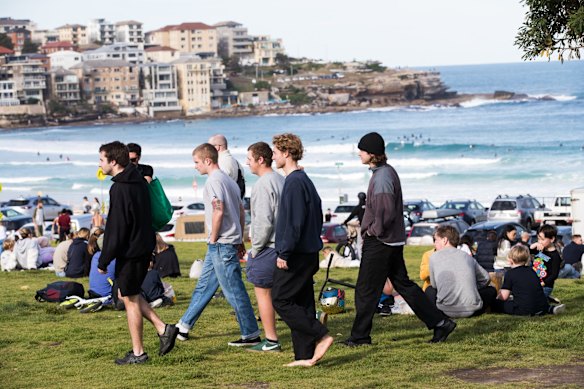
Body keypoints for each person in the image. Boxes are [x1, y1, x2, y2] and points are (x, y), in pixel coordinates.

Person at [343, 132, 455, 347]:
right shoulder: (382, 173)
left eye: (362, 150)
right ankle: (440, 322)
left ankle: (360, 337)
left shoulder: (383, 176)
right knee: (403, 285)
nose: (359, 153)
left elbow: (384, 212)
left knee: (366, 290)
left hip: (381, 241)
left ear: (371, 153)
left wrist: (371, 232)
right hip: (390, 241)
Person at [97, 141, 178, 365]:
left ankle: (139, 353)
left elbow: (117, 227)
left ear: (113, 161)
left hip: (131, 250)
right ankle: (163, 329)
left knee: (130, 299)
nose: (100, 164)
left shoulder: (120, 188)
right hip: (143, 246)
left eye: (102, 159)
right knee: (126, 293)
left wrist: (104, 259)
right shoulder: (139, 181)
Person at [175, 143, 260, 348]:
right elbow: (241, 211)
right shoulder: (229, 181)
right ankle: (183, 326)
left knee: (233, 289)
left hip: (221, 243)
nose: (195, 166)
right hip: (228, 241)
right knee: (205, 286)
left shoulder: (213, 181)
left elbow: (219, 211)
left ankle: (250, 334)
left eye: (196, 162)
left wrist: (213, 238)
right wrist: (239, 238)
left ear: (207, 160)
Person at [271, 133, 333, 367]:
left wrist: (284, 253)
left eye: (275, 152)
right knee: (302, 302)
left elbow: (294, 223)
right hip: (307, 253)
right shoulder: (304, 179)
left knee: (281, 299)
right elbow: (315, 215)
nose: (273, 156)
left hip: (296, 254)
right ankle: (305, 356)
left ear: (286, 153)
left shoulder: (295, 182)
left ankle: (321, 334)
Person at [245, 141, 285, 353]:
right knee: (283, 294)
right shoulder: (282, 179)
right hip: (283, 246)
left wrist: (255, 249)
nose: (247, 163)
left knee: (264, 295)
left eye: (249, 159)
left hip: (268, 246)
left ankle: (271, 339)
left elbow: (263, 222)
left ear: (261, 160)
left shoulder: (262, 185)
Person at [425, 225, 496, 318]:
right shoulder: (466, 256)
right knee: (491, 290)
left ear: (444, 240)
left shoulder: (434, 257)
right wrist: (473, 287)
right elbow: (486, 278)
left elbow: (434, 285)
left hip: (444, 310)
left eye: (436, 240)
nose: (435, 244)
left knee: (429, 290)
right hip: (472, 309)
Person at [492, 245, 566, 315]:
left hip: (523, 309)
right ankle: (551, 309)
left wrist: (498, 298)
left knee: (497, 304)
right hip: (541, 305)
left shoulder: (510, 274)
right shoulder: (532, 270)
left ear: (510, 260)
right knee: (538, 304)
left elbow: (504, 297)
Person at [208, 134, 246, 198]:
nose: (207, 150)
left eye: (209, 147)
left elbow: (220, 188)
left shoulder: (222, 162)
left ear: (217, 147)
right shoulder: (235, 161)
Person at [529, 224, 562, 298]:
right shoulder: (539, 248)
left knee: (536, 303)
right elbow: (526, 252)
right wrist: (533, 245)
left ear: (552, 239)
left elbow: (554, 275)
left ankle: (550, 305)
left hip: (545, 287)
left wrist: (543, 283)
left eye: (542, 239)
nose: (539, 241)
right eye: (538, 239)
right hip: (534, 283)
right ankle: (547, 299)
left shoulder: (555, 256)